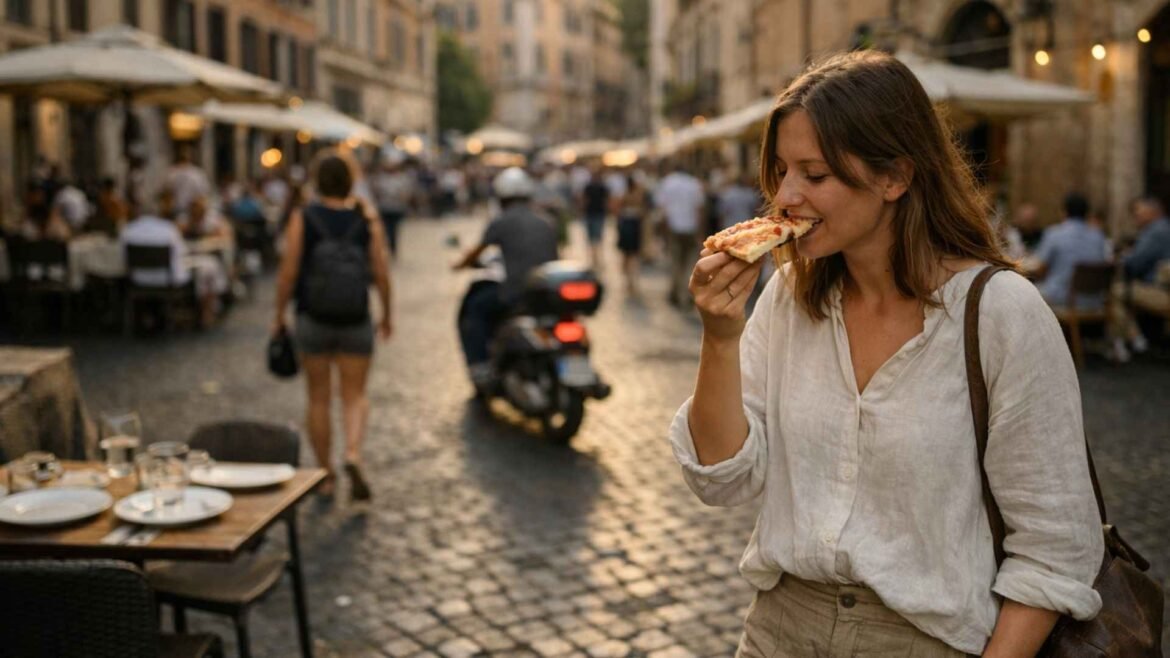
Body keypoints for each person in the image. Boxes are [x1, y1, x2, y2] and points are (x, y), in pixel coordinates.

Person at [670, 51, 1102, 658]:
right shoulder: (790, 299)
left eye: (814, 175)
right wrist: (719, 337)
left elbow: (1056, 546)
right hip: (777, 631)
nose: (785, 197)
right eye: (782, 171)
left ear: (895, 177)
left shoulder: (1002, 313)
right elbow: (722, 477)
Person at [273, 150, 392, 502]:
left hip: (314, 317)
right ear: (350, 181)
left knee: (318, 398)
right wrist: (388, 313)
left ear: (317, 181)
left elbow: (289, 271)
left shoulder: (304, 217)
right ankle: (352, 453)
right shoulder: (366, 219)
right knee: (354, 395)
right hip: (355, 317)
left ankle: (325, 475)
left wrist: (279, 313)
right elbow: (381, 271)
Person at [452, 167, 559, 386]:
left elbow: (478, 251)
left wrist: (460, 264)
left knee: (475, 310)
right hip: (547, 294)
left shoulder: (501, 221)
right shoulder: (545, 221)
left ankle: (479, 366)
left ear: (501, 198)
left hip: (517, 293)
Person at [121, 188, 226, 327]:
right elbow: (181, 253)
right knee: (209, 266)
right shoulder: (168, 229)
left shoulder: (128, 230)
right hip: (168, 278)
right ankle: (206, 313)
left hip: (138, 278)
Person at [1027, 193, 1109, 308]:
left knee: (1026, 293)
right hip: (1094, 301)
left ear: (1064, 212)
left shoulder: (1054, 234)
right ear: (1087, 213)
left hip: (1063, 300)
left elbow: (1040, 269)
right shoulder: (1098, 236)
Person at [653, 161, 705, 307]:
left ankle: (675, 292)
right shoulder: (694, 183)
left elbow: (662, 208)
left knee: (675, 260)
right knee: (689, 261)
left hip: (673, 226)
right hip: (691, 226)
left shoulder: (667, 182)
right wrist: (700, 231)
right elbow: (699, 209)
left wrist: (663, 230)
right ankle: (686, 292)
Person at [369, 152, 415, 257]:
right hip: (384, 207)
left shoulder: (402, 178)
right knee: (385, 229)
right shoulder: (380, 178)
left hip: (396, 208)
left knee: (393, 230)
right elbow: (375, 192)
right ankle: (386, 248)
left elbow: (406, 195)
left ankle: (392, 248)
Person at [616, 174, 648, 297]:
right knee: (633, 255)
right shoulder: (638, 194)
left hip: (627, 225)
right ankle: (632, 281)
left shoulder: (625, 194)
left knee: (627, 255)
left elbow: (618, 209)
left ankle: (629, 281)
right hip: (634, 225)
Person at [165, 145, 211, 218]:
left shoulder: (171, 173)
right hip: (192, 213)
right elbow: (203, 195)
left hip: (180, 212)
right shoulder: (197, 173)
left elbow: (167, 194)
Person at [581, 167, 610, 269]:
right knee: (594, 237)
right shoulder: (590, 187)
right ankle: (594, 258)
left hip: (596, 213)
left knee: (596, 237)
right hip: (593, 213)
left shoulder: (601, 187)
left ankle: (596, 258)